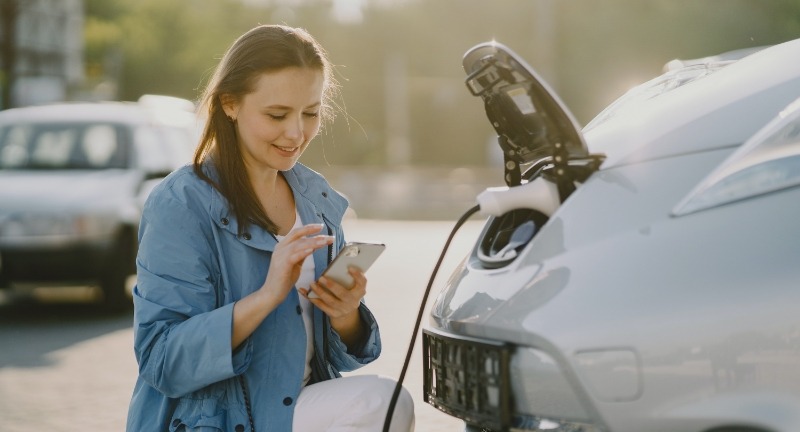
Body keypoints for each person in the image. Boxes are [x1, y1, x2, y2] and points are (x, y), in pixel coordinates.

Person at [126, 24, 415, 432]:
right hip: (217, 422)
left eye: (311, 113)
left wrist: (344, 315)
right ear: (230, 103)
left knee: (383, 404)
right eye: (277, 115)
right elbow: (162, 361)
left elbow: (345, 356)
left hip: (295, 410)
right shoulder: (180, 204)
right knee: (379, 404)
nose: (296, 133)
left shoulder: (317, 201)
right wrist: (268, 295)